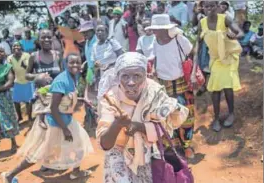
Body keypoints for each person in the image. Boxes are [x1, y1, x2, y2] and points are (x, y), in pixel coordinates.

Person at [96, 52, 189, 183]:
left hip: (148, 154)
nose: (131, 82)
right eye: (125, 76)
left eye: (137, 76)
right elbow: (104, 144)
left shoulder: (154, 92)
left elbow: (165, 126)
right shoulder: (111, 98)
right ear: (117, 77)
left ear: (145, 76)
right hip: (118, 155)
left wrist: (139, 127)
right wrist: (116, 124)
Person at [2, 54, 94, 182]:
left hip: (66, 119)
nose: (75, 65)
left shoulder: (73, 77)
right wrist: (65, 129)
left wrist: (82, 99)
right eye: (71, 63)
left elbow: (66, 98)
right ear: (65, 64)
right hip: (57, 123)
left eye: (78, 62)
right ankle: (10, 175)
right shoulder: (61, 81)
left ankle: (76, 171)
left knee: (79, 143)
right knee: (39, 152)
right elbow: (53, 108)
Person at [146, 14, 196, 159]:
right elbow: (153, 60)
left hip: (182, 83)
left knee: (187, 116)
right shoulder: (155, 42)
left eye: (157, 29)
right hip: (163, 85)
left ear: (164, 29)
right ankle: (173, 146)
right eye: (154, 29)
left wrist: (192, 73)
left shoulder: (179, 39)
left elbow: (192, 54)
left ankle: (187, 146)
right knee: (167, 117)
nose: (154, 32)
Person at [195, 1, 244, 132]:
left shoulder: (225, 19)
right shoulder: (202, 23)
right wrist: (195, 65)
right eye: (207, 6)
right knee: (215, 88)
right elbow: (198, 43)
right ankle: (216, 119)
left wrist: (233, 35)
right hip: (215, 58)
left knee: (227, 85)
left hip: (229, 56)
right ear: (203, 8)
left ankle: (231, 113)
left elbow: (240, 33)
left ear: (217, 7)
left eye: (212, 5)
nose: (209, 8)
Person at [7, 42, 34, 122]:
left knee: (28, 101)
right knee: (16, 101)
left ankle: (29, 117)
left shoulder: (27, 56)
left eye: (17, 45)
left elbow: (31, 69)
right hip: (17, 82)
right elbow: (10, 70)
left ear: (21, 47)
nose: (16, 47)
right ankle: (19, 117)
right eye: (14, 46)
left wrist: (24, 66)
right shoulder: (10, 58)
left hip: (27, 81)